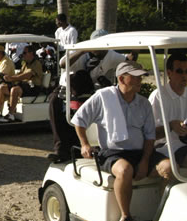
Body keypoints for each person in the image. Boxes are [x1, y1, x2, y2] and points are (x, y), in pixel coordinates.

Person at [71, 61, 171, 221]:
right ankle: (125, 218)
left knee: (169, 167)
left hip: (139, 151)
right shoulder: (103, 97)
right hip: (112, 151)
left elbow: (149, 136)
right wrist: (85, 143)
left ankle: (163, 215)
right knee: (125, 170)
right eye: (136, 77)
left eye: (141, 76)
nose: (141, 80)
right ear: (122, 79)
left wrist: (145, 160)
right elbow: (79, 120)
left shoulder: (144, 103)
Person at [46, 29, 131, 162]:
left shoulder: (111, 55)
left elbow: (128, 59)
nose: (100, 51)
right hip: (67, 87)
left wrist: (134, 52)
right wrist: (84, 50)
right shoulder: (80, 52)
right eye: (97, 47)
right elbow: (63, 64)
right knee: (54, 102)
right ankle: (61, 149)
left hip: (88, 89)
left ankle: (97, 145)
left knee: (106, 102)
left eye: (103, 47)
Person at [0, 44, 43, 122]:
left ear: (31, 53)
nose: (22, 55)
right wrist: (8, 77)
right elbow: (19, 74)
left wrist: (12, 78)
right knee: (1, 88)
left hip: (33, 88)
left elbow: (27, 76)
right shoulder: (25, 64)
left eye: (24, 53)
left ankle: (11, 114)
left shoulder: (37, 64)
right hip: (24, 86)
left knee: (15, 89)